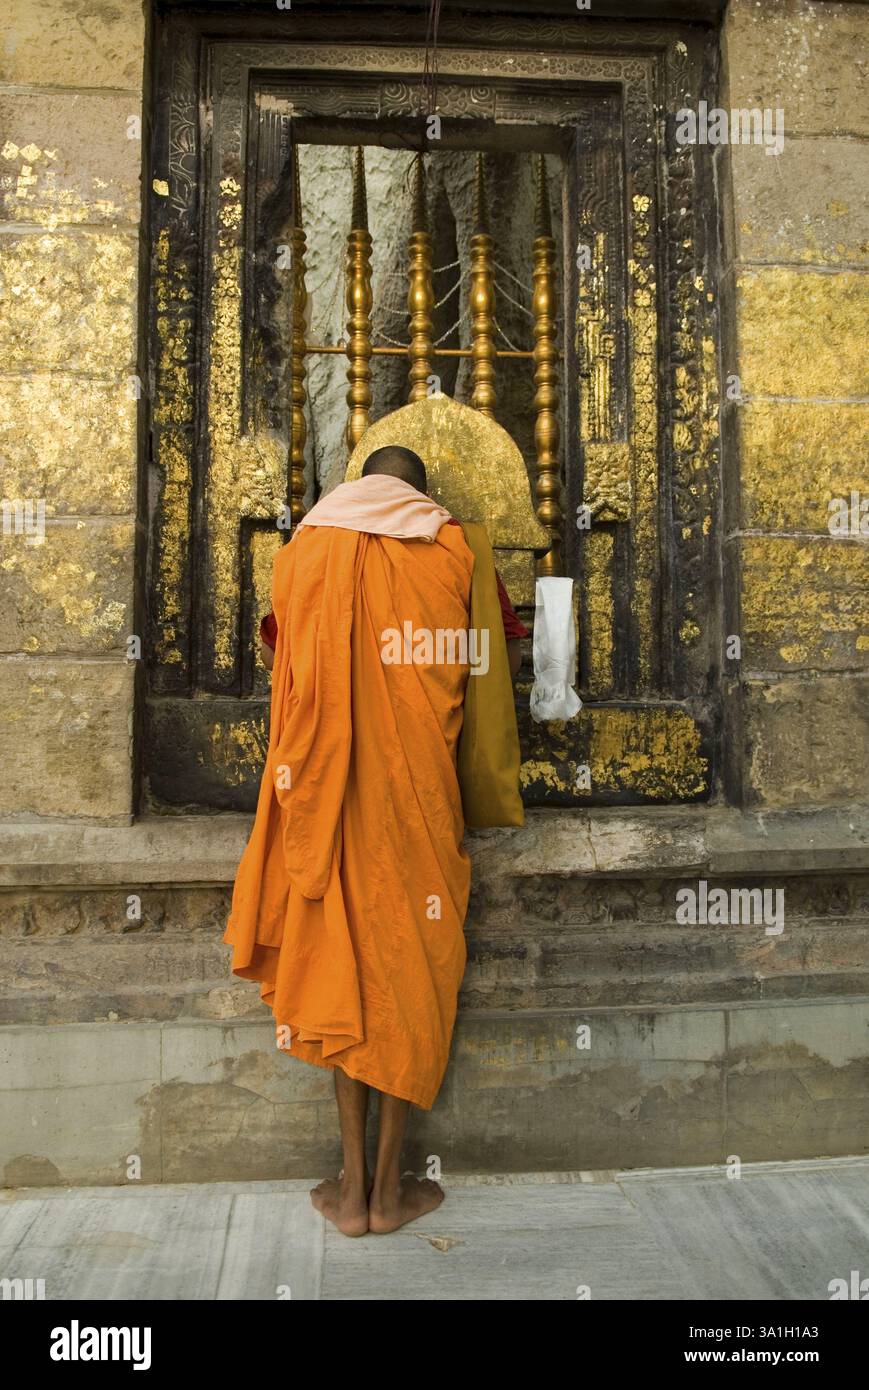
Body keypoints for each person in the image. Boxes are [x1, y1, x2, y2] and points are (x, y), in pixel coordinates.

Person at [225, 445, 527, 1236]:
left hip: (322, 801)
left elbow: (279, 650)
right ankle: (393, 1188)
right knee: (407, 974)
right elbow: (491, 655)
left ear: (354, 488)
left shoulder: (303, 552)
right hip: (415, 801)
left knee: (339, 974)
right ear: (422, 495)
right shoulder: (454, 547)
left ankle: (350, 1190)